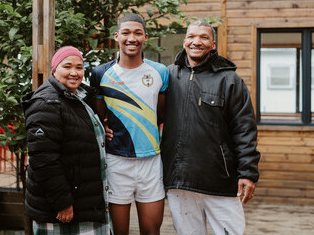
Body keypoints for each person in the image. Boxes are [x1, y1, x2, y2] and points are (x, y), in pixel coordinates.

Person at [161, 20, 261, 235]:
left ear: (213, 44)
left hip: (221, 181)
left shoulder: (230, 80)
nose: (196, 42)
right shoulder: (168, 75)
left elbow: (244, 129)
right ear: (184, 40)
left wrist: (248, 173)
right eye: (191, 36)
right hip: (179, 180)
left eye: (204, 37)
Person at [90, 13, 169, 235]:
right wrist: (102, 128)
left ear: (145, 37)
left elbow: (161, 114)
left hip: (151, 161)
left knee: (151, 231)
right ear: (117, 36)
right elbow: (99, 116)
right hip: (116, 161)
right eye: (125, 33)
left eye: (137, 33)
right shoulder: (101, 73)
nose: (131, 38)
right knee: (118, 233)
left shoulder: (160, 72)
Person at [21, 46, 112, 234]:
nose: (74, 72)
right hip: (63, 209)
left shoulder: (80, 96)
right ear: (55, 69)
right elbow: (43, 160)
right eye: (67, 66)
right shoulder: (46, 103)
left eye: (79, 67)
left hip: (85, 203)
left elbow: (76, 137)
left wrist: (100, 133)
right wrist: (62, 202)